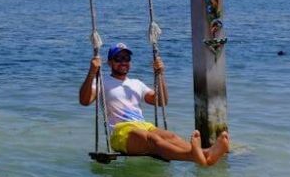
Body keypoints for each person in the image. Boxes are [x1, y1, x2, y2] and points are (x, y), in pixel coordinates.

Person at [78, 42, 229, 165]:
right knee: (153, 140)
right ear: (110, 62)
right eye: (118, 59)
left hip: (143, 125)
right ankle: (194, 156)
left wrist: (160, 74)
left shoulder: (136, 83)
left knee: (170, 136)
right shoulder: (102, 82)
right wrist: (92, 73)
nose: (123, 62)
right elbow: (84, 101)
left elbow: (162, 101)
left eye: (126, 58)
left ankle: (206, 155)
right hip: (120, 131)